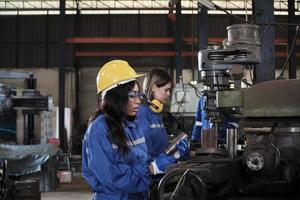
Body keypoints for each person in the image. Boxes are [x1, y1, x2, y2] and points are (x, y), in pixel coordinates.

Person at [82, 60, 182, 200]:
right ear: (115, 96)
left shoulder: (131, 125)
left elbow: (142, 161)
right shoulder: (98, 130)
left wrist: (167, 160)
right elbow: (111, 176)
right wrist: (152, 169)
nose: (137, 101)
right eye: (132, 95)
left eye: (138, 95)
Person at [137, 68, 190, 166]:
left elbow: (161, 146)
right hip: (151, 170)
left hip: (161, 166)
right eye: (166, 90)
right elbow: (145, 150)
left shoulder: (156, 111)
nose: (168, 94)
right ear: (153, 87)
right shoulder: (141, 112)